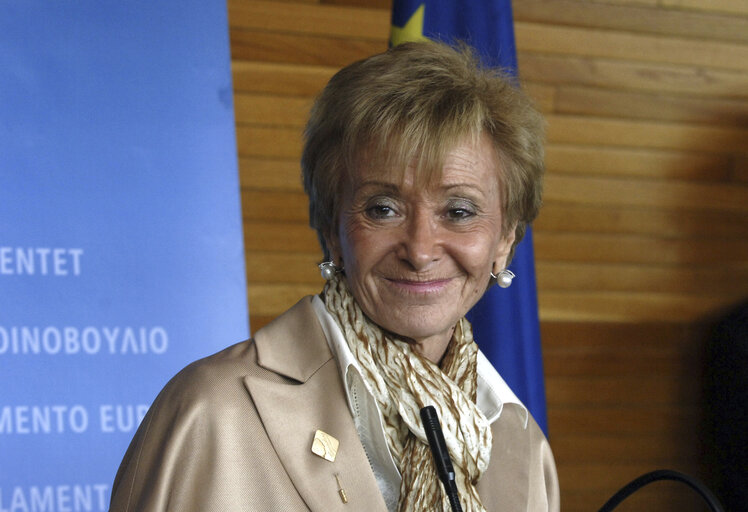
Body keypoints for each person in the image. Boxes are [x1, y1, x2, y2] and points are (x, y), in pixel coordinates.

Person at [110, 41, 559, 511]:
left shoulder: (520, 443)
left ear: (505, 239)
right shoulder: (212, 414)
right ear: (331, 226)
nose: (421, 250)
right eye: (382, 208)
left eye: (459, 211)